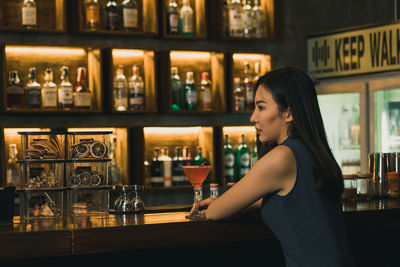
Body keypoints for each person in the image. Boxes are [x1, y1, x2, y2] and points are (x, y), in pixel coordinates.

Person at [192, 67, 354, 266]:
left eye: (261, 107)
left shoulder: (282, 157)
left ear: (288, 113)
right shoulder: (312, 151)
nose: (253, 117)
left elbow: (216, 211)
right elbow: (301, 204)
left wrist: (226, 203)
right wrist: (256, 203)